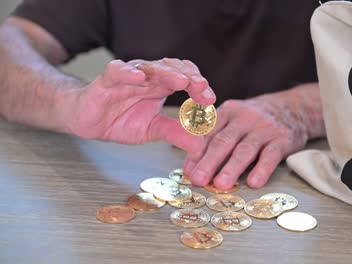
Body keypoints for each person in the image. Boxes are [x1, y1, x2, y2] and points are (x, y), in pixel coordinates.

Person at [0, 0, 326, 190]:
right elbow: (11, 43)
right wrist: (69, 103)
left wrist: (305, 109)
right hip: (150, 170)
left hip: (311, 178)